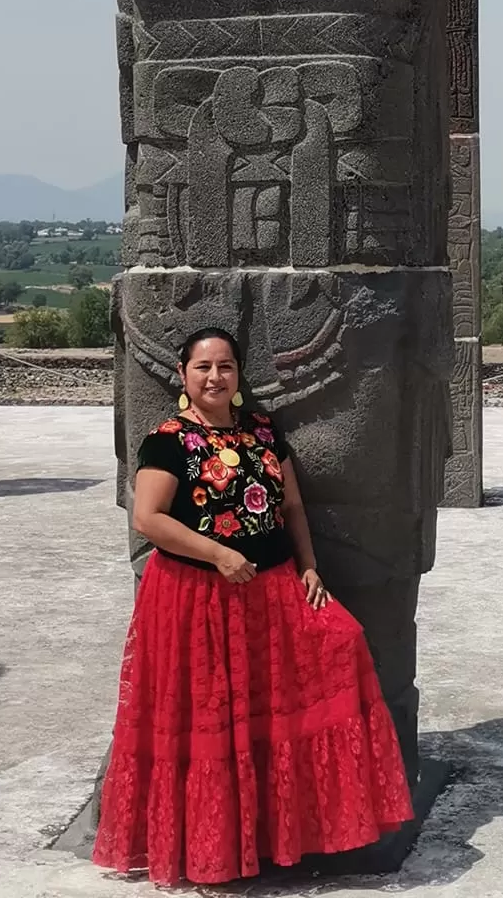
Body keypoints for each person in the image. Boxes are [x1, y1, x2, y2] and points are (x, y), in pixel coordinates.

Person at [92, 327, 415, 884]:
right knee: (212, 718)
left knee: (337, 651)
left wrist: (309, 566)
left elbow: (292, 508)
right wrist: (218, 554)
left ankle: (278, 834)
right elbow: (148, 518)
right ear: (183, 375)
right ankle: (213, 847)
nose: (214, 377)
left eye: (225, 366)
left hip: (272, 588)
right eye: (203, 367)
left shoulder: (262, 432)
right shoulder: (168, 441)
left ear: (239, 375)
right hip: (196, 597)